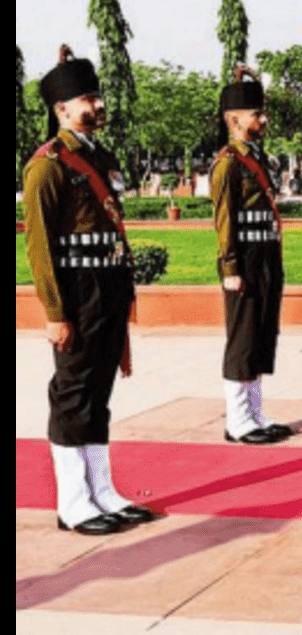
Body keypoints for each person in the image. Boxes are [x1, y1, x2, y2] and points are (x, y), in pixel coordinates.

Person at [24, 45, 158, 535]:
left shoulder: (99, 156)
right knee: (73, 394)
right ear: (61, 109)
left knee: (98, 394)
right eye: (86, 99)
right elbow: (40, 247)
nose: (97, 106)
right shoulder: (48, 166)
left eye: (98, 97)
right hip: (77, 292)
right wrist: (55, 312)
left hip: (107, 287)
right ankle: (73, 502)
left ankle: (104, 492)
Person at [211, 66, 295, 445]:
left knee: (261, 333)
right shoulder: (229, 162)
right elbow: (225, 218)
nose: (263, 119)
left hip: (265, 253)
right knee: (242, 337)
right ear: (234, 119)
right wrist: (230, 266)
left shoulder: (258, 157)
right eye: (256, 114)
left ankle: (256, 413)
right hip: (243, 258)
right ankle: (238, 420)